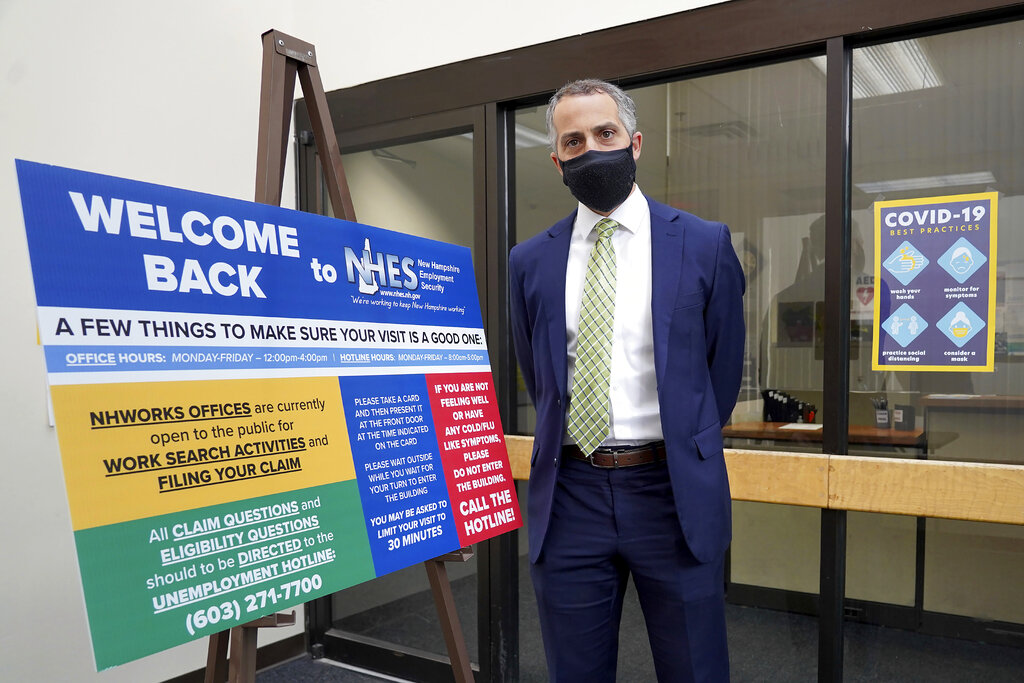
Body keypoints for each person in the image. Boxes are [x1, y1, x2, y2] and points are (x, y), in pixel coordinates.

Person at [509, 79, 746, 682]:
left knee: (695, 670)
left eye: (605, 133)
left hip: (672, 493)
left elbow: (719, 376)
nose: (592, 149)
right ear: (557, 158)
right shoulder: (529, 260)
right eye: (574, 140)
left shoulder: (703, 243)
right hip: (571, 497)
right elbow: (540, 377)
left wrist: (683, 445)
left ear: (634, 142)